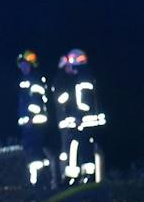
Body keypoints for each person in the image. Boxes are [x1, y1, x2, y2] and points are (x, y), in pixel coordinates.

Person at [54, 49, 105, 184]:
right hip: (78, 120)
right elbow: (61, 91)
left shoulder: (84, 77)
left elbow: (85, 102)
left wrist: (79, 117)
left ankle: (88, 176)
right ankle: (74, 176)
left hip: (84, 121)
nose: (69, 66)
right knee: (75, 147)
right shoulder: (77, 77)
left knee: (84, 148)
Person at [16, 50, 53, 186]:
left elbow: (36, 102)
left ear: (31, 65)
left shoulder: (35, 79)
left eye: (25, 65)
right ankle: (36, 180)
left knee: (35, 152)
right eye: (21, 65)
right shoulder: (25, 80)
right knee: (31, 151)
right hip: (29, 122)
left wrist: (31, 118)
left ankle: (38, 181)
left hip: (35, 122)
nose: (22, 67)